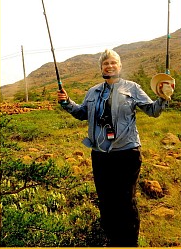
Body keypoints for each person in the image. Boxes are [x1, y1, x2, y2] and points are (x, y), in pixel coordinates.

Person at [57, 48, 174, 247]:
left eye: (113, 63)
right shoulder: (93, 91)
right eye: (105, 63)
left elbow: (153, 111)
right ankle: (112, 241)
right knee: (106, 202)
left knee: (125, 202)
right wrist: (67, 103)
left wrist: (163, 96)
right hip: (100, 155)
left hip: (127, 154)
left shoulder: (133, 88)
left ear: (120, 66)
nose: (109, 66)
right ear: (101, 68)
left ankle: (129, 243)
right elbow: (82, 113)